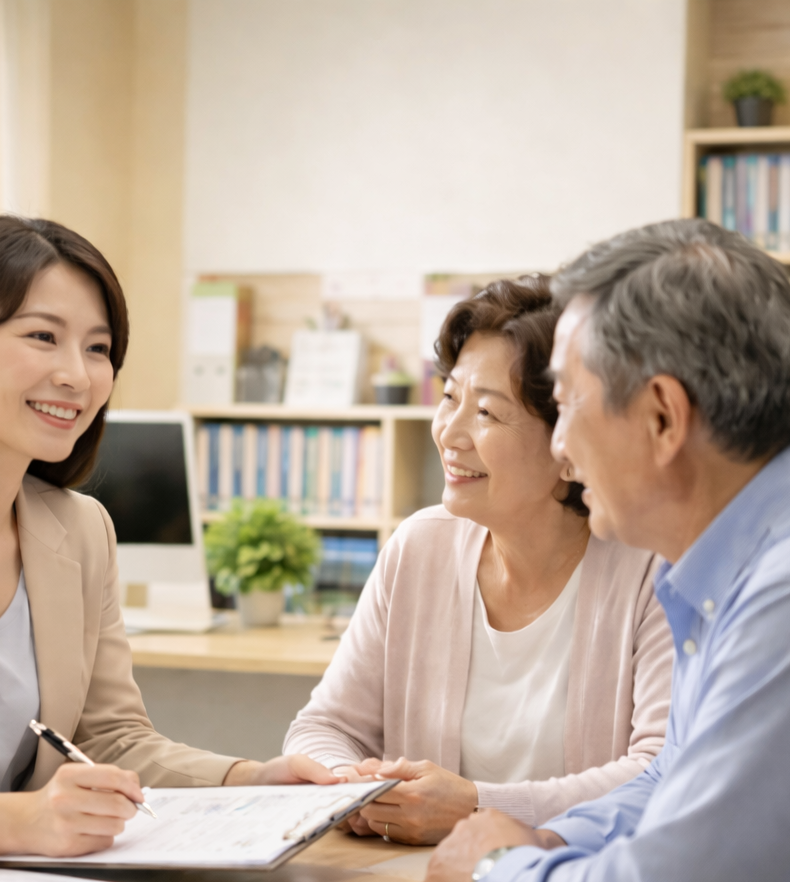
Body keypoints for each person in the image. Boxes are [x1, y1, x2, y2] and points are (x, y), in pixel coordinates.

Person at [0, 216, 335, 870]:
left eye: (98, 348)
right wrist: (18, 820)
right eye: (42, 337)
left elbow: (110, 739)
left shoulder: (82, 529)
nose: (77, 375)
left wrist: (251, 782)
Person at [423, 219, 790, 882]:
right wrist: (552, 845)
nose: (563, 448)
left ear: (661, 418)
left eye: (569, 405)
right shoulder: (753, 562)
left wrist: (498, 872)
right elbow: (674, 783)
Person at [283, 277, 673, 845]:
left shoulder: (650, 569)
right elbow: (325, 726)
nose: (449, 433)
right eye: (448, 397)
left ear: (570, 445)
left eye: (486, 412)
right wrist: (355, 788)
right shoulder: (420, 546)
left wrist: (477, 808)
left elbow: (660, 771)